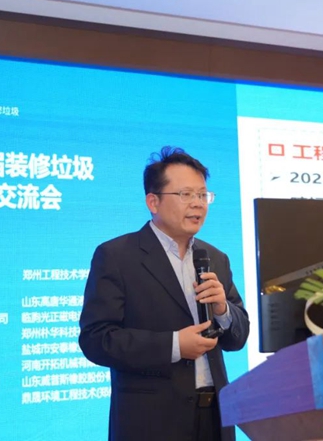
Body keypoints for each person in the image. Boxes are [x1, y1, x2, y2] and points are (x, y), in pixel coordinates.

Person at [79, 146, 250, 441]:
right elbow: (96, 340)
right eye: (185, 194)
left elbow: (238, 338)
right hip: (152, 422)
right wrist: (174, 345)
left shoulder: (215, 257)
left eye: (203, 195)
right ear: (153, 202)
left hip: (215, 419)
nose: (197, 204)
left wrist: (223, 310)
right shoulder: (117, 256)